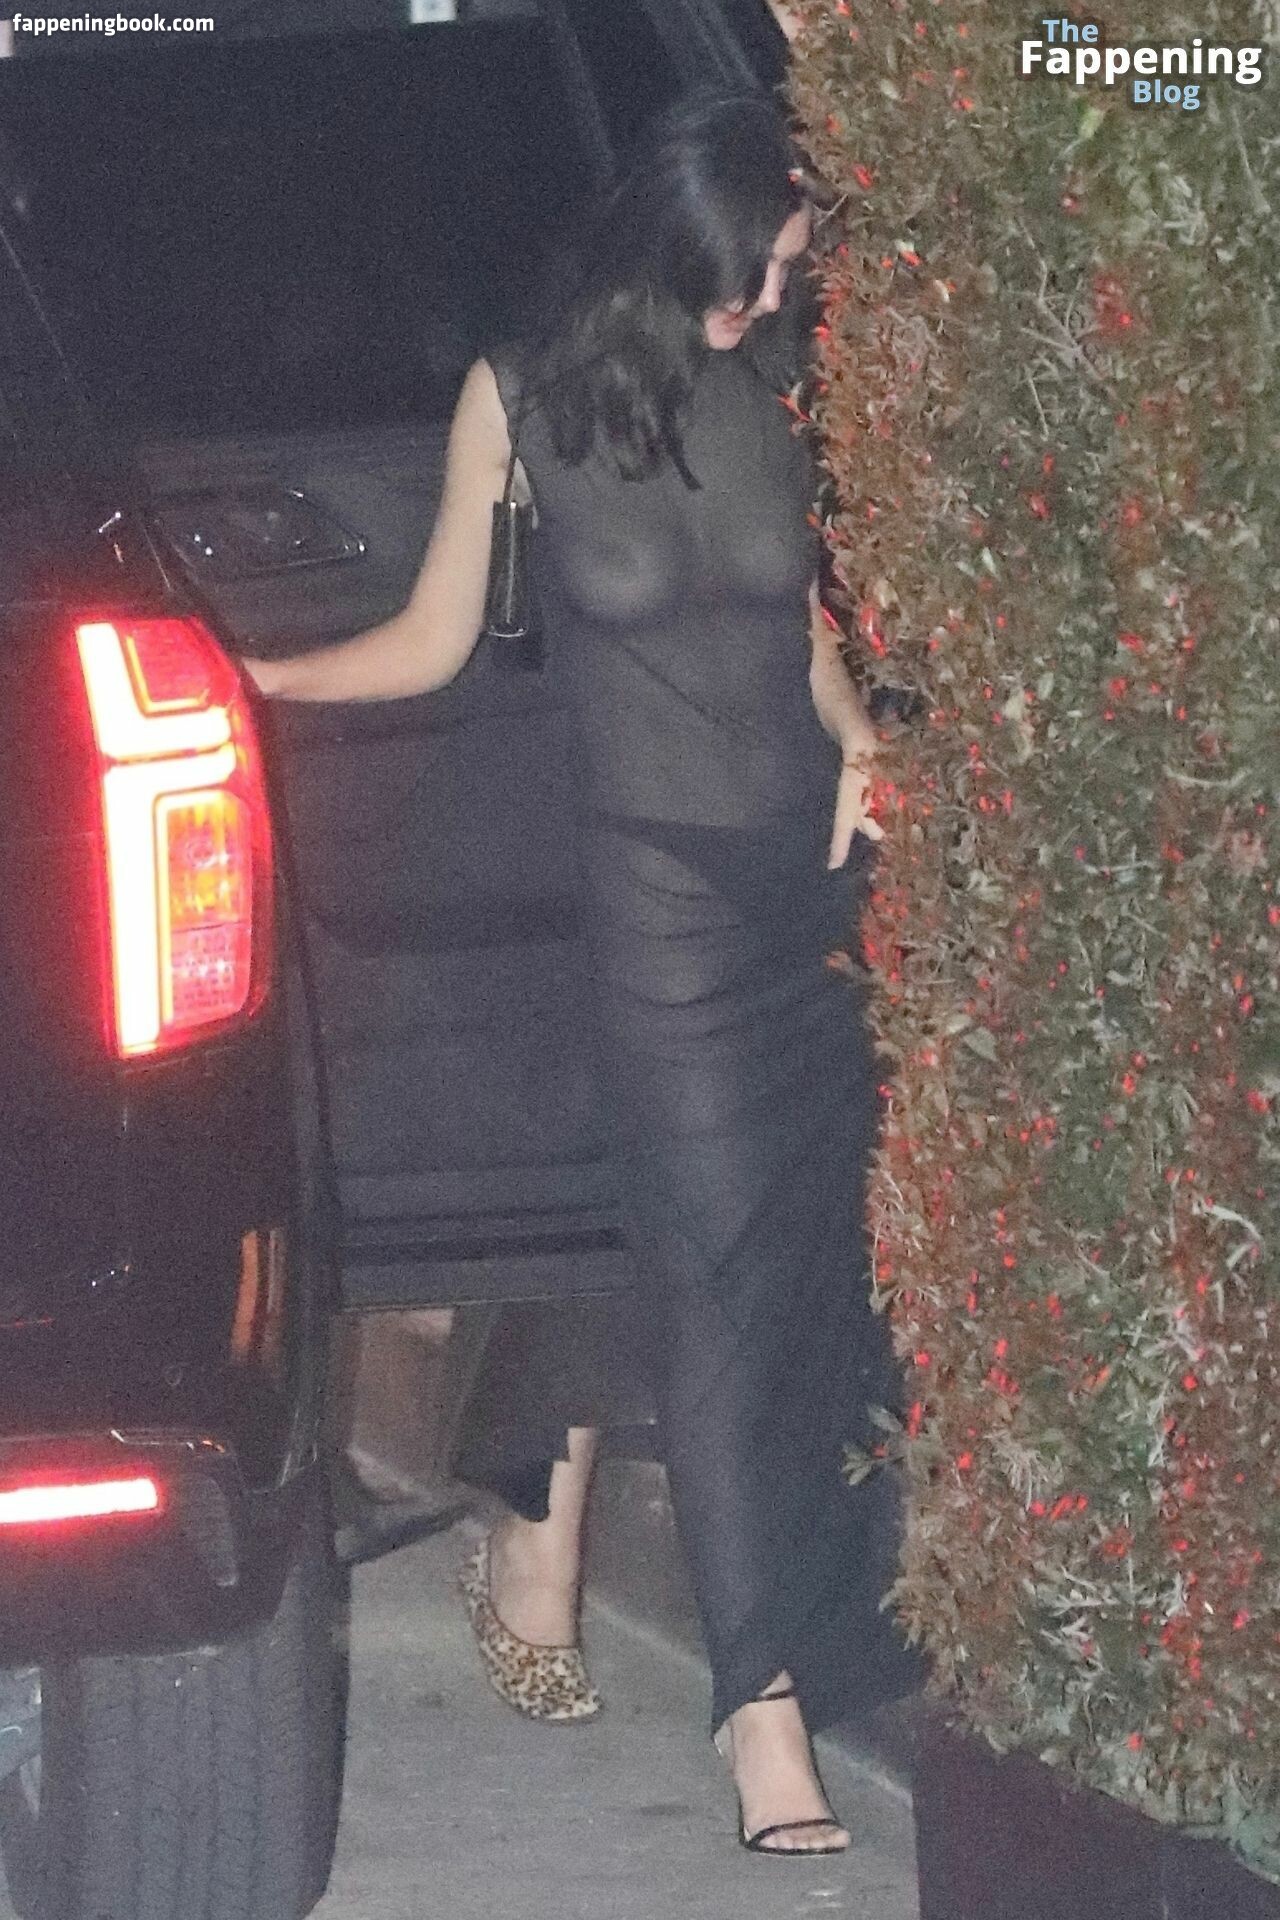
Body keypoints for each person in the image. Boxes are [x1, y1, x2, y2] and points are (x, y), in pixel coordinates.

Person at [244, 88, 893, 1858]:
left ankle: (682, 1589)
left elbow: (803, 633)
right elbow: (435, 638)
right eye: (753, 271)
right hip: (659, 905)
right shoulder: (520, 399)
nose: (770, 299)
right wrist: (255, 680)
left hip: (809, 901)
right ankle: (761, 1712)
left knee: (807, 1287)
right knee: (714, 1282)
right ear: (674, 245)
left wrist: (862, 736)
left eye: (786, 271)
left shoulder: (782, 390)